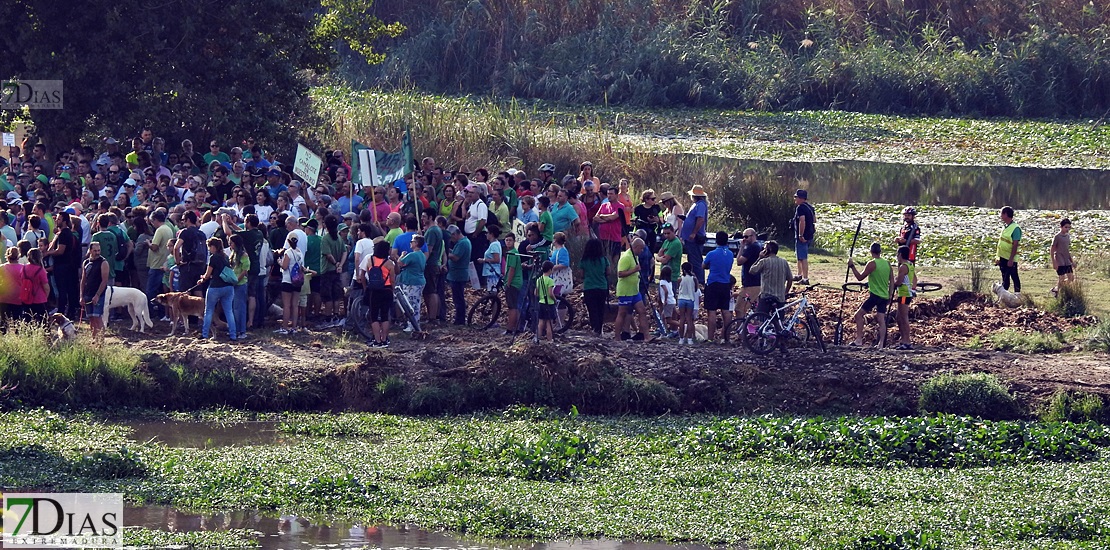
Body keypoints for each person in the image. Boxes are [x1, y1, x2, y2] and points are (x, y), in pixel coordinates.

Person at [848, 242, 891, 347]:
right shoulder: (887, 263)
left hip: (875, 296)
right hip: (884, 296)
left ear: (871, 252)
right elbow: (892, 281)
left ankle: (859, 340)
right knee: (881, 319)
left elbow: (860, 277)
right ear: (880, 252)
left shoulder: (872, 263)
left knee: (858, 315)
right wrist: (890, 295)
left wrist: (852, 266)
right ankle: (881, 344)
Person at [613, 237, 653, 342]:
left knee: (642, 311)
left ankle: (646, 336)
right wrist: (634, 270)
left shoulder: (636, 257)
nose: (642, 251)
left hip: (635, 291)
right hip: (626, 291)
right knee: (622, 313)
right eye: (641, 249)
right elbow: (620, 274)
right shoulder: (626, 257)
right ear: (636, 247)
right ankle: (617, 336)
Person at [198, 237, 237, 341]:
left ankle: (205, 334)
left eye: (209, 247)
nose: (209, 249)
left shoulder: (213, 257)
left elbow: (207, 274)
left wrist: (202, 278)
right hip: (228, 287)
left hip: (215, 287)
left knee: (209, 310)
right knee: (229, 311)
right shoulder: (225, 257)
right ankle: (233, 334)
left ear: (213, 247)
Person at [702, 231, 735, 343]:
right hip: (725, 284)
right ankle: (725, 337)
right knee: (726, 311)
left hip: (713, 283)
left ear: (716, 240)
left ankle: (710, 338)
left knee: (711, 311)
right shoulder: (730, 254)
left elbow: (703, 265)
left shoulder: (711, 254)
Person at [361, 240, 395, 347]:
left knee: (374, 316)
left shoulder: (370, 260)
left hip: (373, 290)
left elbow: (365, 273)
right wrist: (392, 290)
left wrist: (366, 287)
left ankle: (377, 340)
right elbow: (393, 279)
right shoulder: (389, 263)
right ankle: (384, 339)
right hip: (387, 289)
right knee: (385, 315)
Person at [750, 240, 792, 316]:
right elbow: (790, 279)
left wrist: (759, 258)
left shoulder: (764, 261)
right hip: (780, 298)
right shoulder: (784, 262)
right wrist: (785, 292)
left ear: (768, 250)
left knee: (762, 319)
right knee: (778, 321)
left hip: (766, 296)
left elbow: (752, 271)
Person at [580, 238, 610, 336]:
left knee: (592, 309)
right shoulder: (604, 260)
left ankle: (595, 328)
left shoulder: (584, 261)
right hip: (602, 286)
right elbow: (608, 272)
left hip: (589, 287)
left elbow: (581, 274)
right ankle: (600, 329)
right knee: (601, 309)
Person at [80, 241, 110, 339]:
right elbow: (83, 280)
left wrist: (97, 295)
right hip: (88, 293)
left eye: (99, 250)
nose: (97, 252)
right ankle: (94, 339)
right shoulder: (86, 262)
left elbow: (104, 280)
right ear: (90, 250)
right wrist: (81, 296)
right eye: (95, 251)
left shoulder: (103, 262)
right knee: (91, 318)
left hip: (98, 294)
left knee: (97, 317)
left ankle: (100, 341)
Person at [396, 234, 426, 331]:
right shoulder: (422, 254)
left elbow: (400, 263)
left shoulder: (412, 255)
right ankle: (414, 324)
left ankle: (412, 325)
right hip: (419, 281)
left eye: (412, 241)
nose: (410, 243)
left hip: (412, 282)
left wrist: (401, 256)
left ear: (416, 243)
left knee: (411, 304)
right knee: (416, 304)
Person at [679, 184, 708, 285]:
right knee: (692, 259)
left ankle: (700, 282)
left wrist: (693, 233)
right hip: (690, 238)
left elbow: (700, 219)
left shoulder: (700, 205)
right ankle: (694, 281)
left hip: (695, 238)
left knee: (696, 260)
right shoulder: (697, 204)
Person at [277, 233, 305, 334]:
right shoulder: (300, 253)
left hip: (288, 280)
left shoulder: (288, 252)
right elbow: (302, 267)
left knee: (287, 305)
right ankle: (294, 326)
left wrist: (279, 262)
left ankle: (285, 327)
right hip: (297, 281)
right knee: (295, 305)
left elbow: (284, 266)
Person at [421, 208, 444, 323]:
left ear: (430, 217)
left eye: (424, 216)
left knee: (431, 291)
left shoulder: (432, 231)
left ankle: (433, 317)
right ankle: (433, 315)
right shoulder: (434, 230)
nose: (422, 218)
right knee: (428, 290)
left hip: (430, 264)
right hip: (433, 263)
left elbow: (428, 250)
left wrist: (421, 262)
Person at [445, 225, 471, 325]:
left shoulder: (463, 243)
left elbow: (456, 257)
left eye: (452, 237)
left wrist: (446, 253)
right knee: (458, 297)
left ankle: (460, 320)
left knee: (458, 298)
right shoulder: (463, 242)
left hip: (458, 275)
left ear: (455, 234)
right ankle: (459, 318)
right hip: (456, 274)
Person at [891, 245, 914, 350]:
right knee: (899, 317)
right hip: (905, 293)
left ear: (900, 255)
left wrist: (892, 282)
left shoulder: (903, 266)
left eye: (897, 254)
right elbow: (914, 279)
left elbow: (898, 282)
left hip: (904, 294)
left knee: (903, 317)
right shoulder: (910, 265)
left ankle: (907, 341)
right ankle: (903, 339)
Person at [735, 228, 761, 317]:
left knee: (739, 309)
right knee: (754, 310)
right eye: (743, 237)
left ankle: (741, 330)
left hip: (751, 284)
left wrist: (741, 247)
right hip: (755, 282)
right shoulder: (758, 246)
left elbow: (739, 261)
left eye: (746, 237)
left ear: (753, 236)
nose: (744, 239)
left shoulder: (752, 248)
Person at [228, 234, 250, 339]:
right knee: (233, 307)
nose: (230, 245)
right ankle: (235, 329)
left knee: (239, 308)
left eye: (231, 243)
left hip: (240, 284)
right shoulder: (233, 254)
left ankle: (242, 330)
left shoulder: (243, 255)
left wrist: (237, 280)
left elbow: (245, 270)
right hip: (233, 283)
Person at [502, 232, 524, 334]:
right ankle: (516, 327)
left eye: (510, 240)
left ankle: (510, 329)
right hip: (516, 282)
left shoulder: (512, 253)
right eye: (506, 240)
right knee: (514, 306)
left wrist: (508, 283)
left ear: (514, 241)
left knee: (512, 307)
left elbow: (512, 269)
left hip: (514, 283)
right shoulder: (511, 252)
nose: (508, 242)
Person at [792, 189, 815, 285]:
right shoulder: (810, 207)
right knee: (799, 256)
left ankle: (805, 278)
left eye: (796, 197)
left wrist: (801, 234)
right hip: (809, 235)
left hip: (803, 236)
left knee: (803, 257)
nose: (795, 199)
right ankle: (799, 275)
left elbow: (802, 221)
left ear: (801, 198)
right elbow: (814, 220)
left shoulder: (800, 208)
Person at [895, 206, 922, 288]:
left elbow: (918, 240)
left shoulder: (915, 227)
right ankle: (902, 284)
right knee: (900, 268)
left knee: (911, 270)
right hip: (902, 251)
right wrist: (897, 239)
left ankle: (913, 288)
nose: (906, 217)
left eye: (908, 215)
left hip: (910, 252)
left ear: (913, 216)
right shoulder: (903, 227)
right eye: (905, 215)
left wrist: (906, 241)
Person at [997, 205, 1022, 294]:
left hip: (1010, 258)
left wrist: (1011, 259)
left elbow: (1015, 245)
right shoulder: (1005, 227)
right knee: (1005, 277)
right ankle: (1004, 296)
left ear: (1006, 214)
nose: (1000, 216)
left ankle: (1017, 295)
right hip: (1003, 257)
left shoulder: (1015, 228)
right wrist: (998, 257)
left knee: (1014, 276)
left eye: (1001, 214)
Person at [22, 248, 50, 322]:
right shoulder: (40, 270)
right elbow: (46, 287)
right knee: (43, 321)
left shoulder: (23, 268)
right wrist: (45, 297)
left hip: (26, 297)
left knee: (27, 320)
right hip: (39, 298)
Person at [0, 247, 24, 327]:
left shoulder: (2, 268)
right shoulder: (23, 268)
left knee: (3, 322)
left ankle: (4, 337)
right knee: (18, 322)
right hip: (18, 297)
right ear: (18, 256)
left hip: (4, 297)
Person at [1050, 218, 1074, 297]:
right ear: (1061, 227)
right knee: (1062, 277)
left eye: (1069, 227)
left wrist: (1072, 261)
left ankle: (1056, 289)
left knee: (1071, 278)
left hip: (1066, 259)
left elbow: (1067, 250)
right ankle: (1058, 294)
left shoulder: (1067, 236)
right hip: (1059, 260)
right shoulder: (1057, 237)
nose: (1067, 229)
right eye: (1065, 227)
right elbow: (1052, 250)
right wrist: (1054, 262)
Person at [676, 262, 698, 344]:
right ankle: (689, 339)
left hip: (681, 299)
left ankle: (681, 339)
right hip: (690, 299)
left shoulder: (680, 278)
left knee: (682, 319)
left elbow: (679, 287)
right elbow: (696, 289)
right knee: (689, 319)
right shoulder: (694, 278)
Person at [535, 260, 557, 342]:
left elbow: (535, 293)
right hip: (549, 304)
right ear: (550, 270)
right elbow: (550, 293)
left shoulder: (539, 280)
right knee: (549, 324)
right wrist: (555, 300)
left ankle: (538, 338)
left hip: (541, 303)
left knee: (540, 322)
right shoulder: (550, 280)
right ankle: (549, 340)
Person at [548, 232, 572, 297]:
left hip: (560, 277)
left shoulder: (563, 251)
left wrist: (554, 267)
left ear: (555, 240)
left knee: (558, 295)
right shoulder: (556, 250)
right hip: (554, 276)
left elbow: (565, 264)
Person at [658, 265, 677, 333]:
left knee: (668, 319)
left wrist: (665, 300)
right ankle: (664, 329)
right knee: (662, 316)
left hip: (668, 302)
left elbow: (666, 291)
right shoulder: (669, 282)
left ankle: (682, 325)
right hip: (672, 301)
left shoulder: (662, 282)